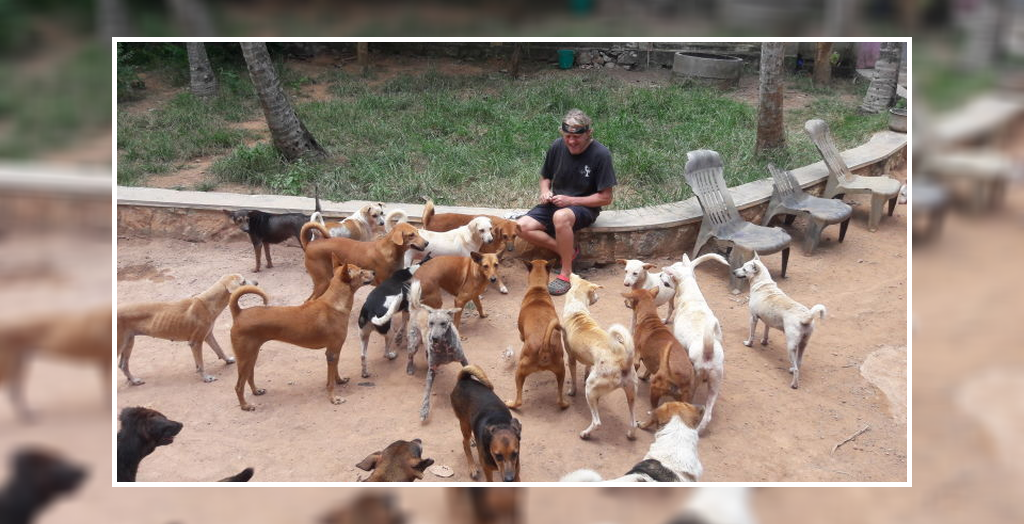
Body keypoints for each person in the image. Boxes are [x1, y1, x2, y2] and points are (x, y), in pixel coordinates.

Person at [516, 109, 616, 295]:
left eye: (576, 137)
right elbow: (545, 177)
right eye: (567, 136)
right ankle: (568, 251)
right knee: (521, 226)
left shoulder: (601, 154)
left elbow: (606, 197)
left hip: (584, 207)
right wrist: (545, 192)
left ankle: (566, 273)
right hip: (555, 203)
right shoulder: (557, 146)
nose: (571, 141)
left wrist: (571, 200)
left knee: (561, 217)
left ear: (588, 134)